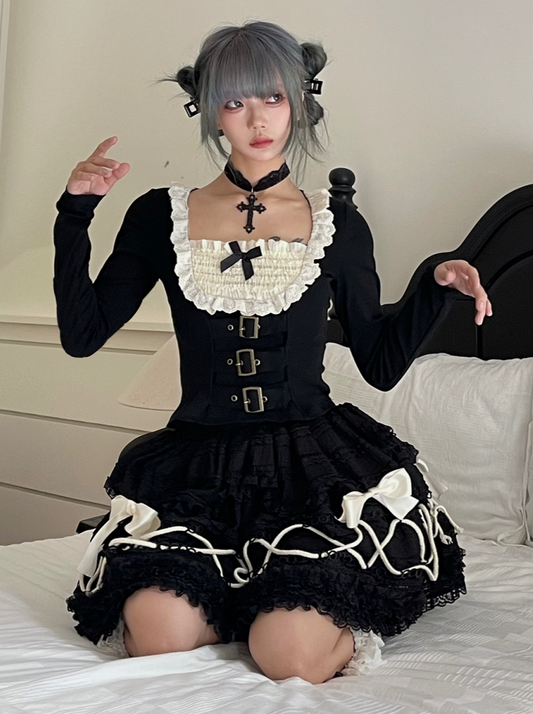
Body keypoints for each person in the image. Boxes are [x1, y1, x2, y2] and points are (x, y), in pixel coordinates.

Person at [53, 20, 492, 684]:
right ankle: (243, 601)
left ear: (298, 99)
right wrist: (74, 215)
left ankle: (292, 614)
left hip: (308, 470)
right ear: (208, 109)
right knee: (159, 639)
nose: (257, 118)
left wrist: (433, 284)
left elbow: (378, 362)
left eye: (273, 96)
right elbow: (82, 335)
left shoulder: (337, 225)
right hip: (197, 468)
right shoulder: (159, 216)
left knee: (288, 657)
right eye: (235, 101)